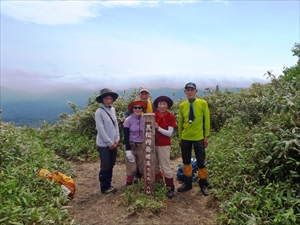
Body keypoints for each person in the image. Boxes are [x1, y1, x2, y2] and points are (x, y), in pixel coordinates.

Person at [177, 82, 210, 196]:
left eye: (192, 90)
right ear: (185, 92)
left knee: (201, 162)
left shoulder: (202, 103)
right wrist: (180, 138)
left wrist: (206, 136)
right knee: (186, 161)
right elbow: (180, 123)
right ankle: (188, 183)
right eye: (188, 90)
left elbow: (207, 120)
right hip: (186, 137)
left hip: (199, 137)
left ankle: (203, 184)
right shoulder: (182, 105)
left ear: (196, 91)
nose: (190, 92)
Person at [124, 86, 157, 183]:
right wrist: (132, 121)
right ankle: (132, 179)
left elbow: (155, 115)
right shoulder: (134, 108)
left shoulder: (152, 105)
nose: (144, 95)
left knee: (143, 161)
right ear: (139, 95)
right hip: (133, 141)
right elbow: (127, 114)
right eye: (142, 93)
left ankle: (142, 178)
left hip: (145, 138)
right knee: (133, 163)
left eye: (145, 93)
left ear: (148, 95)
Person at [95, 88, 120, 194]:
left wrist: (117, 139)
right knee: (105, 165)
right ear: (102, 100)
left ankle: (109, 184)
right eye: (106, 98)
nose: (108, 100)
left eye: (110, 98)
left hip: (114, 143)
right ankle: (104, 186)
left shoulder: (113, 110)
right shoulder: (99, 112)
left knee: (111, 163)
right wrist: (110, 143)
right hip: (104, 144)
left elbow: (116, 126)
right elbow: (100, 130)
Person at [153, 95, 177, 198]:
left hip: (164, 144)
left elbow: (169, 133)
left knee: (165, 166)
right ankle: (159, 183)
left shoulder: (170, 116)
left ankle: (170, 186)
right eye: (160, 104)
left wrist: (158, 128)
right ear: (157, 105)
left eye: (164, 104)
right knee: (154, 166)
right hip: (153, 144)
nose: (162, 106)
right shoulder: (153, 115)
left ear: (167, 106)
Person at [123, 100, 147, 186]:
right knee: (132, 168)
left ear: (142, 109)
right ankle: (129, 183)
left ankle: (143, 184)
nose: (137, 109)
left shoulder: (145, 119)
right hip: (131, 145)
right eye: (135, 108)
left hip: (141, 145)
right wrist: (128, 150)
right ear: (132, 109)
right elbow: (125, 136)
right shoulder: (128, 120)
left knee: (142, 167)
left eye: (139, 107)